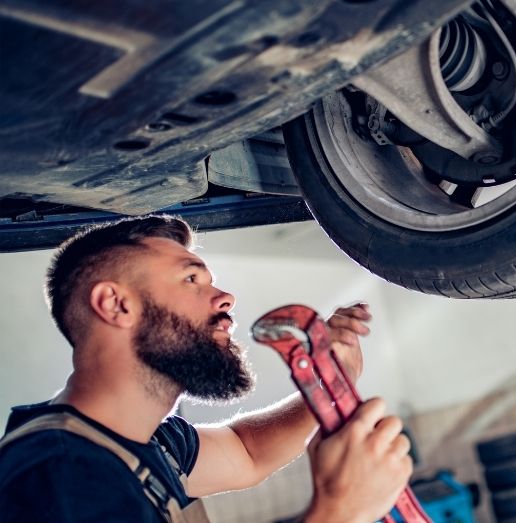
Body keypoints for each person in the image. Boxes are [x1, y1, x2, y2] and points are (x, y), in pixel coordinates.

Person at [0, 215, 413, 522]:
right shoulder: (60, 476)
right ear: (116, 305)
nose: (225, 297)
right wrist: (340, 509)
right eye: (192, 280)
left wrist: (325, 380)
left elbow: (247, 451)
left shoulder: (142, 441)